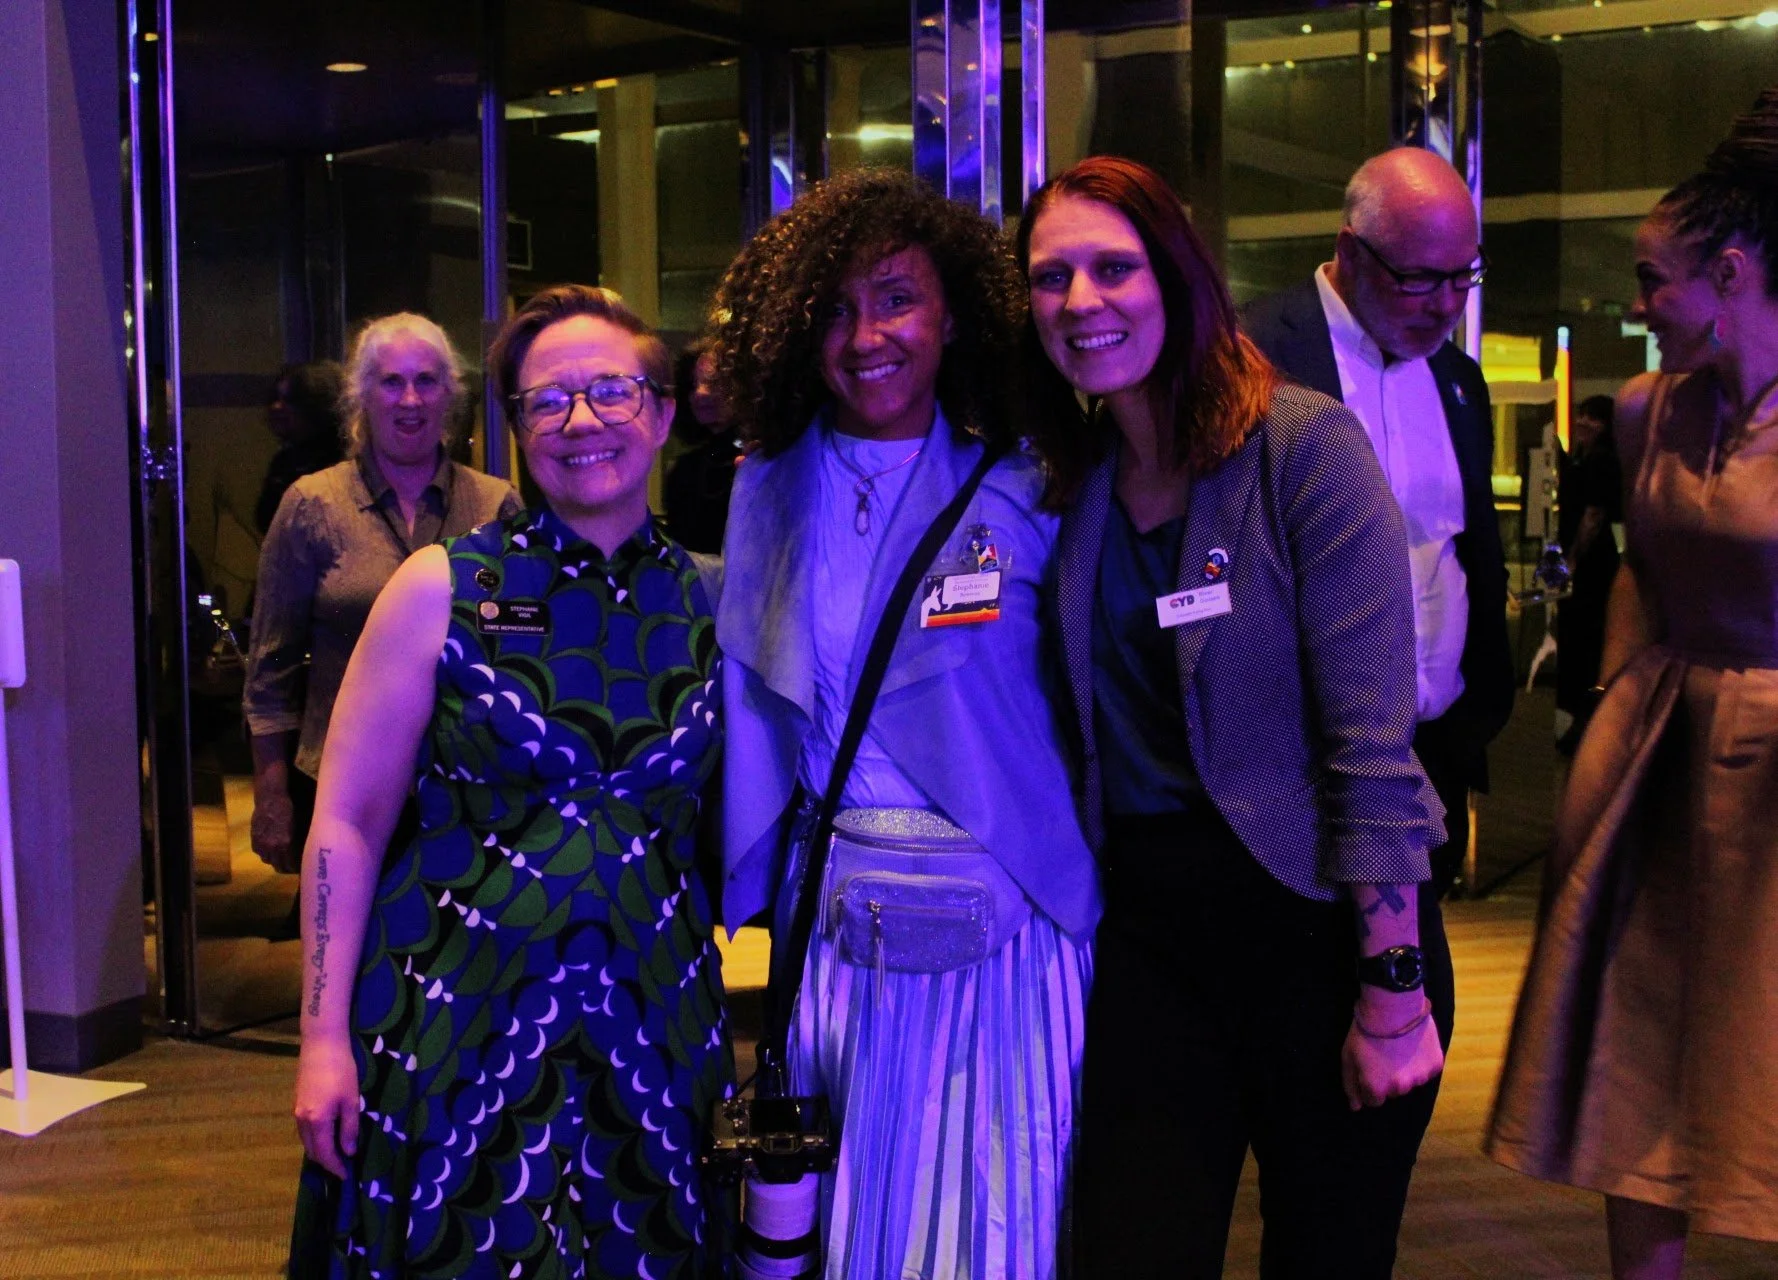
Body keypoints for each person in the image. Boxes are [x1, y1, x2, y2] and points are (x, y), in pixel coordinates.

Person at [1019, 155, 1447, 1279]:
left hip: (1318, 929)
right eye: (1048, 276)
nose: (1079, 302)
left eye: (1111, 268)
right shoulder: (1072, 482)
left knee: (1324, 1256)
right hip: (1152, 944)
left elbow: (1369, 742)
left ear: (1174, 277)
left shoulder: (1302, 449)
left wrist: (1390, 986)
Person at [287, 285, 732, 1279]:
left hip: (652, 1029)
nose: (580, 421)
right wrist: (320, 1035)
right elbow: (347, 822)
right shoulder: (443, 587)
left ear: (660, 412)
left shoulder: (718, 598)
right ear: (517, 428)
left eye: (611, 391)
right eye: (546, 400)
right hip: (454, 1023)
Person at [710, 167, 1099, 1279]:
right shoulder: (768, 491)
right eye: (831, 308)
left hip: (1009, 922)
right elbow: (753, 707)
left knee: (993, 1224)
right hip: (835, 926)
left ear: (954, 315)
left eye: (893, 298)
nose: (863, 334)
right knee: (851, 1221)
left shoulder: (1035, 483)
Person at [1487, 88, 1778, 1279]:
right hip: (1662, 749)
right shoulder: (1653, 410)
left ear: (1733, 269)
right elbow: (1632, 580)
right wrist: (1608, 719)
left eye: (1656, 280)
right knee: (1631, 1046)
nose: (1639, 305)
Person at [1244, 146, 1514, 902]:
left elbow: (1467, 555)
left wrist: (1474, 719)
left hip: (1436, 747)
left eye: (1465, 276)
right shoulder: (1254, 357)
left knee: (1426, 990)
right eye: (1421, 279)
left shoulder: (1459, 378)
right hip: (1299, 760)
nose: (1446, 304)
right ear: (1349, 254)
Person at [244, 314, 517, 884]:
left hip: (474, 791)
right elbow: (271, 669)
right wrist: (271, 796)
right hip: (343, 791)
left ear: (451, 395)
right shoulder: (312, 504)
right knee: (349, 964)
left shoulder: (497, 507)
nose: (410, 399)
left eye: (427, 381)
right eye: (391, 382)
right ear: (361, 396)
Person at [1554, 393, 1622, 751]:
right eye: (1581, 415)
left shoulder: (1599, 462)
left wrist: (1574, 560)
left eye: (1592, 418)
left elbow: (1593, 516)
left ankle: (1584, 723)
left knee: (1583, 639)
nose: (1583, 423)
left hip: (1592, 565)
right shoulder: (1595, 458)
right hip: (1600, 562)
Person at [662, 335, 742, 553]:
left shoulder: (761, 461)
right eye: (694, 384)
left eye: (715, 383)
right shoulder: (683, 471)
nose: (700, 393)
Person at [255, 361, 346, 536]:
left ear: (317, 405)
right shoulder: (284, 462)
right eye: (276, 398)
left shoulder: (343, 465)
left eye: (290, 400)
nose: (276, 407)